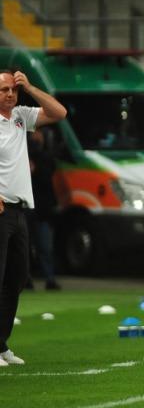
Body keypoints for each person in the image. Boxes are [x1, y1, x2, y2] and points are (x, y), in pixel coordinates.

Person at [0, 69, 67, 368]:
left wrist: (30, 86)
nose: (10, 95)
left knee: (16, 278)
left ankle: (1, 345)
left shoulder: (20, 116)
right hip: (0, 210)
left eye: (13, 90)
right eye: (4, 90)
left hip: (19, 211)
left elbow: (59, 113)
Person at [25, 128, 59, 290]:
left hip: (42, 210)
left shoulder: (45, 158)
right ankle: (26, 278)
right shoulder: (22, 156)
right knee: (25, 247)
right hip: (27, 208)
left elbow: (47, 177)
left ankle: (49, 278)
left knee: (45, 247)